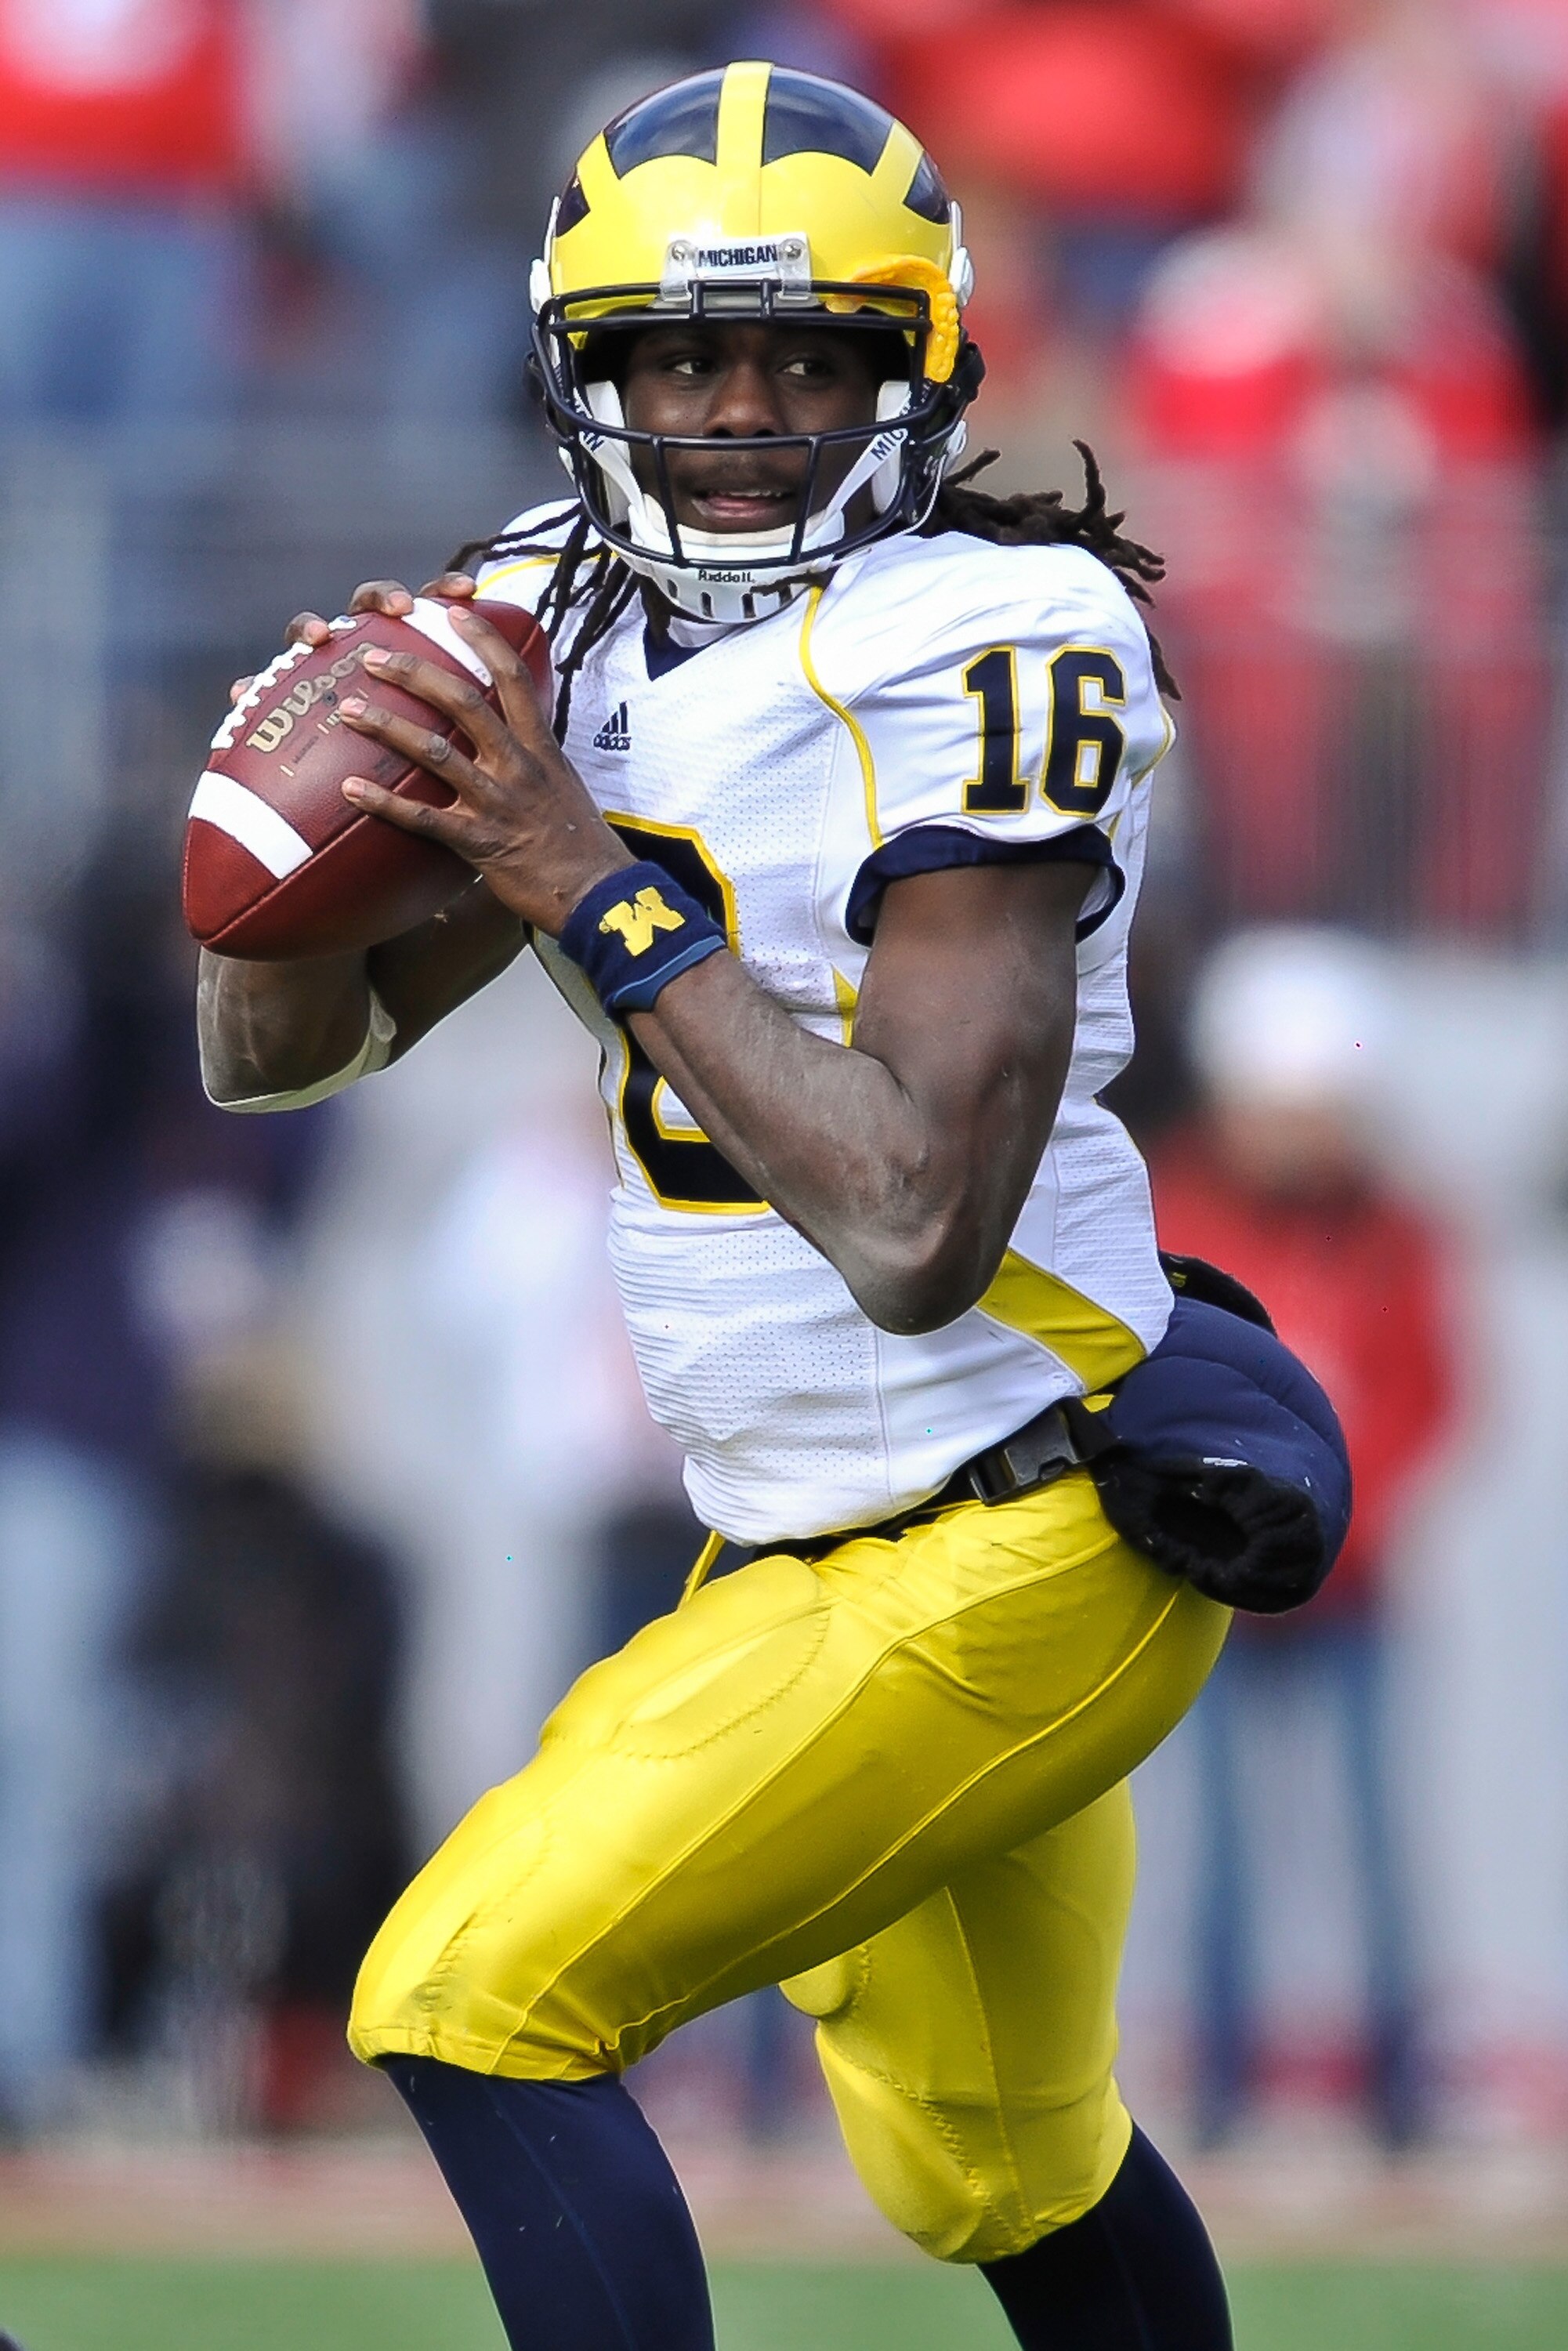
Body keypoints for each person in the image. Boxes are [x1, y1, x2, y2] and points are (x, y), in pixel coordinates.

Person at [197, 63, 1235, 2351]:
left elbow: (909, 1224)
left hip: (1022, 1518)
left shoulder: (1001, 634)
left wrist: (577, 873)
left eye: (806, 356)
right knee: (994, 2161)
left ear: (918, 370)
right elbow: (268, 1061)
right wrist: (277, 853)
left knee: (472, 1993)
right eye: (682, 354)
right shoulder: (546, 617)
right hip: (809, 1524)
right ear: (594, 375)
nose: (742, 407)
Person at [1151, 928, 1455, 2146]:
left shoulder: (1396, 1231)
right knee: (1216, 1843)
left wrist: (1336, 1522)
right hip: (1216, 1584)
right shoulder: (1171, 1204)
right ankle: (1223, 2087)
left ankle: (1399, 2094)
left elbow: (1430, 1392)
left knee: (1380, 1835)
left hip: (1351, 1586)